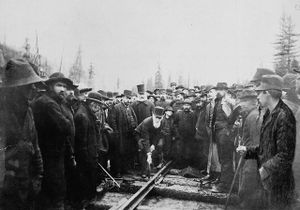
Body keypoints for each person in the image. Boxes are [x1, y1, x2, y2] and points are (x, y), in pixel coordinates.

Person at [237, 75, 296, 210]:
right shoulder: (270, 114)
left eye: (260, 92)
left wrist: (265, 169)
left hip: (278, 184)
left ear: (268, 93)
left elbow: (285, 155)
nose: (257, 96)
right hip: (267, 181)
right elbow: (266, 147)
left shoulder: (284, 116)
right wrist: (248, 150)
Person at [0, 58, 44, 210]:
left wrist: (38, 175)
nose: (33, 88)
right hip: (6, 190)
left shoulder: (28, 111)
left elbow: (35, 146)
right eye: (28, 85)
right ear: (14, 88)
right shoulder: (3, 112)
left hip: (25, 183)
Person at [32, 72, 75, 210]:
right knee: (54, 195)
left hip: (52, 156)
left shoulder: (53, 102)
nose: (62, 89)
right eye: (58, 85)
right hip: (49, 157)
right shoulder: (48, 103)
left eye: (64, 86)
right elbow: (66, 127)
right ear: (50, 86)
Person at [74, 92, 105, 207]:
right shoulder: (83, 116)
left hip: (90, 155)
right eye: (98, 105)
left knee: (89, 180)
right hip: (85, 157)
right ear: (92, 104)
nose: (99, 108)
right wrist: (87, 159)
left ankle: (89, 200)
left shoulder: (87, 113)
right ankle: (85, 203)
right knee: (85, 181)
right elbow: (81, 143)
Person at [110, 90, 138, 177]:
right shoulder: (116, 107)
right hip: (120, 134)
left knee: (127, 152)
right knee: (118, 153)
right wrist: (116, 132)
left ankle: (125, 169)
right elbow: (113, 120)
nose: (129, 100)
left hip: (128, 135)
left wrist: (135, 129)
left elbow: (134, 118)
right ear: (122, 98)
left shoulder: (130, 107)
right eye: (127, 98)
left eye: (130, 99)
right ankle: (117, 171)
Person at [135, 106, 165, 178]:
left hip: (151, 136)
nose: (158, 119)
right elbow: (145, 139)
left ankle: (151, 165)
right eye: (156, 117)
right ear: (153, 115)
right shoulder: (146, 122)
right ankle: (144, 171)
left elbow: (158, 134)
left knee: (154, 149)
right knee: (144, 151)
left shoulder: (162, 122)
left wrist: (153, 145)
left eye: (159, 118)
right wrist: (148, 153)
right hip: (140, 135)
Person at [173, 99, 197, 169]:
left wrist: (193, 135)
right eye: (185, 105)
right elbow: (175, 124)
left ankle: (187, 166)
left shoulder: (193, 114)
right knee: (180, 151)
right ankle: (180, 166)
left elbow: (195, 125)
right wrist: (177, 134)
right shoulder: (178, 113)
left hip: (190, 137)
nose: (186, 107)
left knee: (188, 151)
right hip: (180, 136)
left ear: (190, 106)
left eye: (188, 105)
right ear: (183, 106)